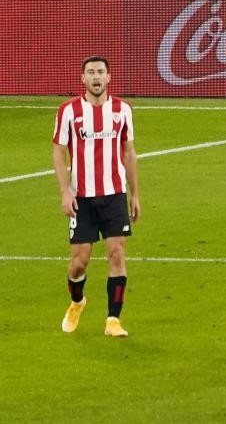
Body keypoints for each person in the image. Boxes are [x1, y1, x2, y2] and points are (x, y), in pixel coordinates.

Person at [52, 56, 140, 337]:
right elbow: (58, 151)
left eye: (100, 72)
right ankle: (77, 300)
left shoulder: (122, 110)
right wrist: (65, 192)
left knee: (117, 253)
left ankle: (113, 320)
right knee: (80, 262)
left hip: (114, 194)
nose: (96, 77)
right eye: (90, 72)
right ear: (83, 79)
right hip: (83, 198)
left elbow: (128, 152)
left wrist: (134, 194)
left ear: (109, 77)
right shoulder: (68, 111)